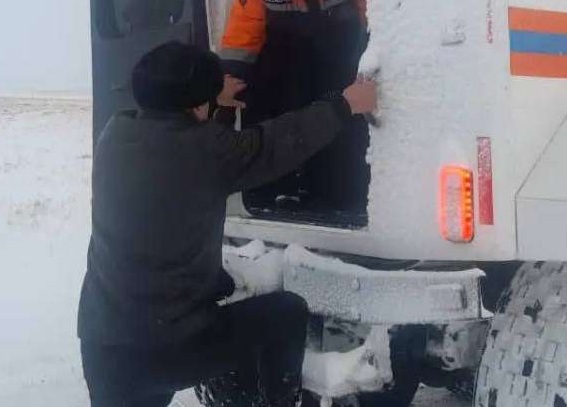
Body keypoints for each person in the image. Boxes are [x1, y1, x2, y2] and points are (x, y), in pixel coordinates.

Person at [78, 41, 377, 407]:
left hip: (104, 348)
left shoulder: (114, 134)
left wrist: (206, 102)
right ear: (199, 104)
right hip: (173, 348)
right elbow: (278, 143)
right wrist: (345, 104)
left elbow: (181, 148)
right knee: (287, 313)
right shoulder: (209, 150)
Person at [218, 0, 371, 216]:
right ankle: (279, 191)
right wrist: (228, 80)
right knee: (279, 106)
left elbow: (373, 12)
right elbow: (244, 28)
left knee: (343, 117)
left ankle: (337, 193)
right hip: (290, 51)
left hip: (341, 47)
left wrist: (371, 64)